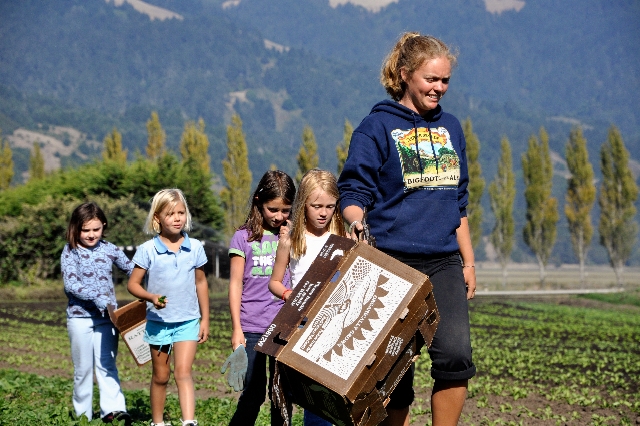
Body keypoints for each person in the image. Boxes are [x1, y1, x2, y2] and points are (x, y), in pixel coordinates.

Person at [337, 32, 477, 426]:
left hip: (443, 262)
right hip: (391, 261)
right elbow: (353, 190)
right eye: (431, 79)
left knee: (455, 356)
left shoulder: (451, 128)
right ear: (405, 75)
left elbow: (458, 202)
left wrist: (468, 261)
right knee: (393, 370)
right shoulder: (377, 126)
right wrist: (356, 221)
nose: (440, 88)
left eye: (445, 80)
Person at [269, 169, 346, 426]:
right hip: (305, 328)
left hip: (339, 324)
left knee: (339, 390)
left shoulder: (341, 239)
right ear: (303, 204)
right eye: (316, 206)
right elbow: (275, 282)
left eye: (330, 206)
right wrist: (291, 295)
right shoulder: (291, 241)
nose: (323, 212)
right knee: (315, 394)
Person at [127, 189, 209, 426]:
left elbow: (201, 283)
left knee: (183, 372)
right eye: (170, 213)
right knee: (161, 376)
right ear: (157, 219)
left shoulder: (195, 248)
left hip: (188, 321)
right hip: (158, 323)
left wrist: (205, 319)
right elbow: (133, 284)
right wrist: (150, 297)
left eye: (181, 213)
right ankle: (158, 423)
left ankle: (189, 421)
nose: (177, 218)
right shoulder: (147, 250)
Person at [226, 170, 296, 425]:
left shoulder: (291, 237)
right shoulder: (242, 237)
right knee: (253, 395)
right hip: (252, 327)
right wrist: (237, 330)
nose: (279, 216)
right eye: (273, 209)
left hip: (284, 328)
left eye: (286, 210)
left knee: (283, 395)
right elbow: (235, 284)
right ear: (258, 201)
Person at [61, 201, 133, 425]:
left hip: (107, 319)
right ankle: (82, 415)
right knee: (82, 369)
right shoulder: (70, 251)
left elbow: (132, 268)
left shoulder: (110, 249)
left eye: (96, 229)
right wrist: (98, 297)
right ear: (76, 228)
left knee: (107, 365)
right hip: (79, 318)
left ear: (103, 225)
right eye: (85, 230)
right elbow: (71, 284)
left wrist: (151, 278)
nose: (91, 235)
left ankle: (113, 411)